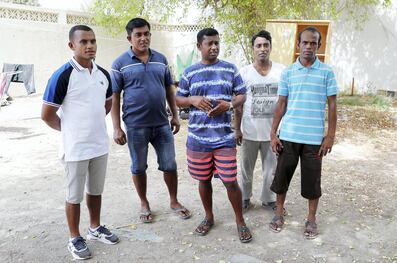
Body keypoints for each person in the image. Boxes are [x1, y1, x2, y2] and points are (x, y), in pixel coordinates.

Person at [41, 25, 119, 260]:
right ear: (71, 45)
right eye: (83, 41)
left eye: (93, 41)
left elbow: (107, 105)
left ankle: (94, 228)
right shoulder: (63, 75)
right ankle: (74, 237)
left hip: (99, 145)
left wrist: (90, 126)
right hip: (75, 148)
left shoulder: (103, 74)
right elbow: (47, 114)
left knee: (95, 191)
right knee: (74, 195)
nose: (89, 46)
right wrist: (70, 132)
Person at [110, 17, 190, 224]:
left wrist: (175, 115)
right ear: (130, 38)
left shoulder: (161, 59)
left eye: (146, 34)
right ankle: (144, 203)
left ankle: (174, 201)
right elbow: (115, 96)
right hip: (136, 126)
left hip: (162, 124)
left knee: (169, 164)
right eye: (138, 35)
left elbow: (169, 89)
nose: (143, 38)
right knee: (138, 166)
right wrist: (117, 127)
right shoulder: (120, 64)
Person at [176, 28, 252, 243]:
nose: (214, 47)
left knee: (230, 181)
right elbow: (178, 99)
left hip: (224, 138)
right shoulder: (190, 72)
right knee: (203, 179)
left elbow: (242, 95)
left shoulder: (230, 69)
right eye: (209, 43)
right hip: (198, 140)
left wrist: (228, 104)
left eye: (217, 43)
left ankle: (240, 221)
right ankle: (209, 217)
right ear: (199, 46)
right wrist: (192, 100)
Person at [269, 26, 338, 239]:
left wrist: (330, 136)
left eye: (313, 43)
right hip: (288, 136)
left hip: (314, 139)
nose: (309, 46)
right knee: (282, 178)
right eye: (305, 42)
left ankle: (311, 219)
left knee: (312, 182)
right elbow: (281, 104)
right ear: (298, 45)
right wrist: (273, 133)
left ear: (319, 45)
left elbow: (333, 105)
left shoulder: (326, 72)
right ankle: (279, 213)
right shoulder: (288, 72)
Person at [235, 30, 285, 213]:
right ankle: (245, 198)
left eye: (266, 45)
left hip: (273, 133)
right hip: (249, 131)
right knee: (246, 170)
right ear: (253, 49)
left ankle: (269, 199)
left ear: (270, 47)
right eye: (258, 46)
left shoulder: (281, 71)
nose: (262, 49)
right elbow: (238, 104)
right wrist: (237, 129)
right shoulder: (244, 73)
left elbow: (284, 101)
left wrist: (281, 129)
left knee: (270, 171)